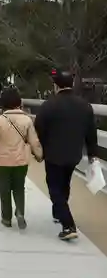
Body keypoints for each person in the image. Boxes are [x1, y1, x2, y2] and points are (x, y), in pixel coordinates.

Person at [35, 71, 98, 241]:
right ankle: (59, 212)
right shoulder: (85, 105)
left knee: (54, 187)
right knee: (65, 183)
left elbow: (38, 128)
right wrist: (92, 154)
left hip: (53, 153)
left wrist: (41, 147)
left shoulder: (49, 105)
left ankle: (68, 225)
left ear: (56, 85)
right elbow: (91, 133)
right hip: (74, 154)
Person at [0, 88, 43, 229]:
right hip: (21, 161)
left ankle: (6, 218)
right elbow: (34, 141)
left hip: (3, 161)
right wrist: (39, 155)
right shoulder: (27, 120)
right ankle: (20, 212)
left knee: (4, 189)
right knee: (19, 187)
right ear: (19, 102)